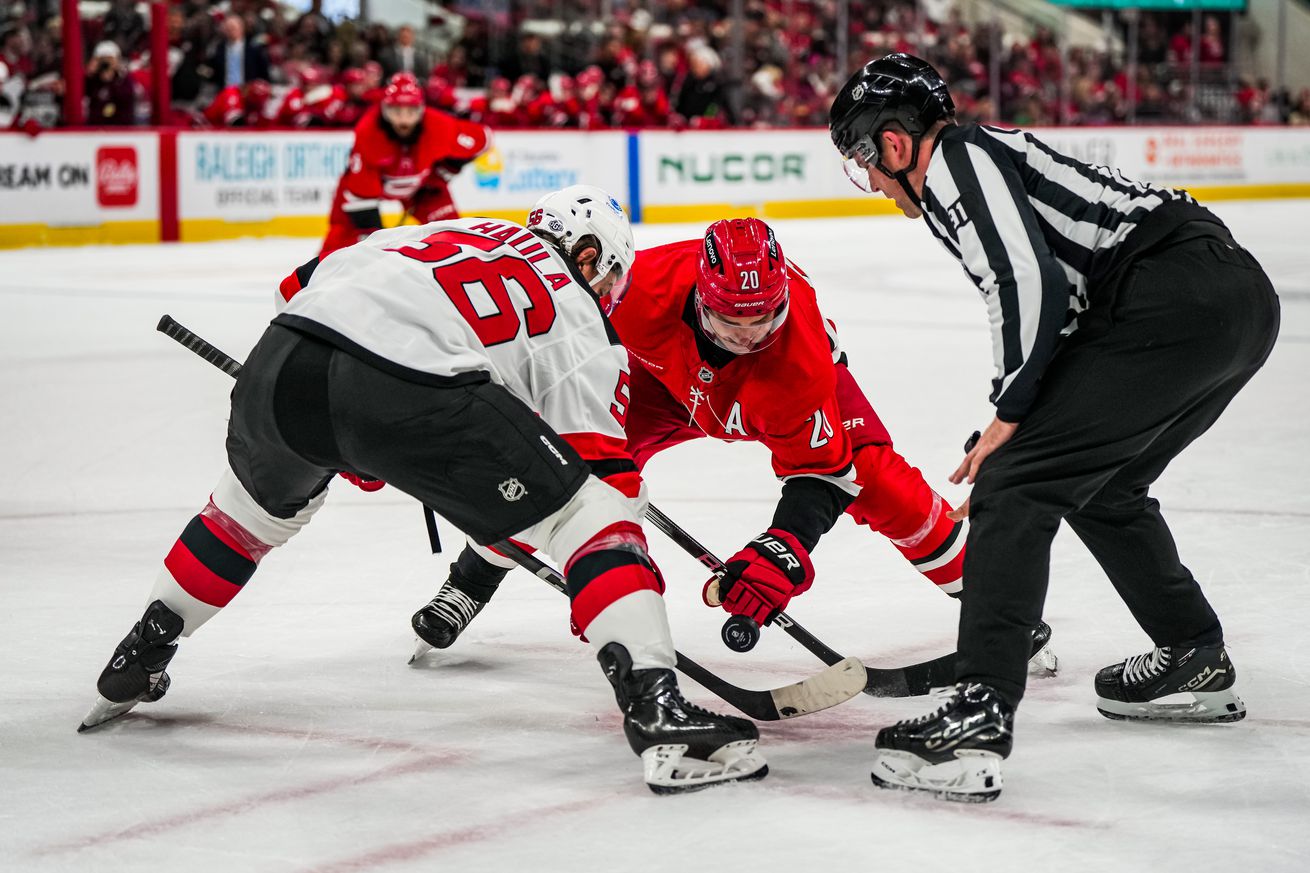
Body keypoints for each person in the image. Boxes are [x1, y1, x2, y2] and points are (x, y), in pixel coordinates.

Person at [79, 186, 767, 795]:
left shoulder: (439, 231)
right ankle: (656, 705)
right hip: (403, 385)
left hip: (281, 360)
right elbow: (598, 474)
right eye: (613, 274)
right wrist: (606, 584)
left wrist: (347, 430)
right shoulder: (579, 315)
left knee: (243, 517)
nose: (613, 293)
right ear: (590, 257)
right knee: (589, 516)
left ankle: (143, 648)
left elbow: (301, 285)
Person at [829, 53, 1280, 801]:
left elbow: (1025, 281)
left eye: (864, 163)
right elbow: (1059, 298)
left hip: (1174, 295)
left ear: (895, 143)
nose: (872, 183)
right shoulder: (975, 163)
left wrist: (1010, 416)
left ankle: (976, 715)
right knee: (1103, 484)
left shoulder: (957, 160)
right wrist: (1017, 415)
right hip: (1229, 301)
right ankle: (1193, 651)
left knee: (1015, 481)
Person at [411, 216, 1055, 673]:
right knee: (568, 471)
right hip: (667, 384)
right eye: (730, 320)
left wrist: (780, 552)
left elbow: (822, 476)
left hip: (772, 394)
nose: (748, 334)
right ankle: (470, 580)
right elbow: (555, 348)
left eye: (762, 319)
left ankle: (999, 607)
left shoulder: (795, 360)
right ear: (699, 297)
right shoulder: (642, 291)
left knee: (884, 485)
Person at [320, 72, 490, 257]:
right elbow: (361, 199)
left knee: (452, 237)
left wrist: (444, 171)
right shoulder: (368, 133)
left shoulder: (439, 126)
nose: (403, 120)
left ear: (421, 110)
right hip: (362, 191)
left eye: (410, 111)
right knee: (337, 249)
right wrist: (376, 240)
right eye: (396, 111)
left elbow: (483, 140)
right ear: (384, 110)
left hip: (422, 188)